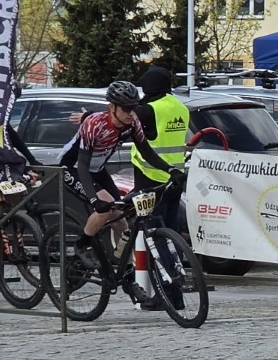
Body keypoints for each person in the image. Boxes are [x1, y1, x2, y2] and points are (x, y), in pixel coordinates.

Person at [59, 80, 182, 258]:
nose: (131, 113)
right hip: (73, 168)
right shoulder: (95, 124)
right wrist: (94, 199)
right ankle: (81, 245)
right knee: (104, 209)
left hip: (98, 170)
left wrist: (171, 170)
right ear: (112, 107)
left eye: (133, 107)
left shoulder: (132, 123)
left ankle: (122, 266)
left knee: (121, 222)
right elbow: (83, 165)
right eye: (126, 109)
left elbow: (146, 151)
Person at [131, 65, 189, 232]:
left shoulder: (149, 109)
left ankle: (156, 259)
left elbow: (126, 122)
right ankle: (174, 258)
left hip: (151, 175)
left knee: (152, 229)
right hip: (175, 175)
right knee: (171, 228)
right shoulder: (180, 107)